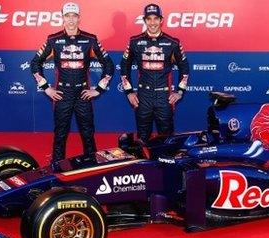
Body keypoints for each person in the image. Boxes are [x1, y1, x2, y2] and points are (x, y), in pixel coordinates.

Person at [31, 2, 114, 162]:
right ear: (62, 18)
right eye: (67, 16)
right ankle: (56, 168)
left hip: (83, 94)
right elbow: (35, 63)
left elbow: (108, 64)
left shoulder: (90, 39)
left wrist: (98, 89)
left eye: (74, 16)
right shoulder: (53, 40)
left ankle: (92, 167)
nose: (71, 20)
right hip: (62, 94)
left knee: (88, 134)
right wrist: (46, 88)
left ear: (79, 18)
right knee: (60, 134)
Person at [120, 3, 189, 142]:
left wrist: (180, 91)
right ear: (144, 20)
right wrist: (128, 92)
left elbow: (184, 67)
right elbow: (124, 66)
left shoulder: (172, 43)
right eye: (149, 19)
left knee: (166, 139)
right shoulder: (135, 41)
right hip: (143, 96)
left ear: (161, 20)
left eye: (155, 18)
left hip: (164, 96)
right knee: (142, 138)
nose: (152, 23)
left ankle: (166, 163)